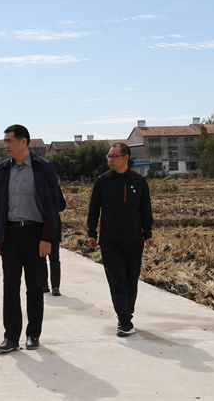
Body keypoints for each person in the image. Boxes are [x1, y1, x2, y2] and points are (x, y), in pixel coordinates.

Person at [0, 124, 63, 353]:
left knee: (34, 287)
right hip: (10, 234)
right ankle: (11, 337)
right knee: (10, 287)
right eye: (4, 141)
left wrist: (47, 238)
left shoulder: (44, 168)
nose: (5, 145)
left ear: (24, 142)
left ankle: (33, 334)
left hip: (35, 234)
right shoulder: (2, 170)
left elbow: (52, 206)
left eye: (9, 141)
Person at [87, 142, 155, 337]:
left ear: (125, 158)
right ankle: (124, 320)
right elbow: (94, 208)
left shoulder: (139, 181)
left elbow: (145, 208)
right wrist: (92, 232)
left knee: (131, 280)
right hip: (110, 240)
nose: (110, 160)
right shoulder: (102, 181)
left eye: (114, 156)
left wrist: (148, 233)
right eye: (108, 156)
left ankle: (127, 314)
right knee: (117, 280)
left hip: (134, 240)